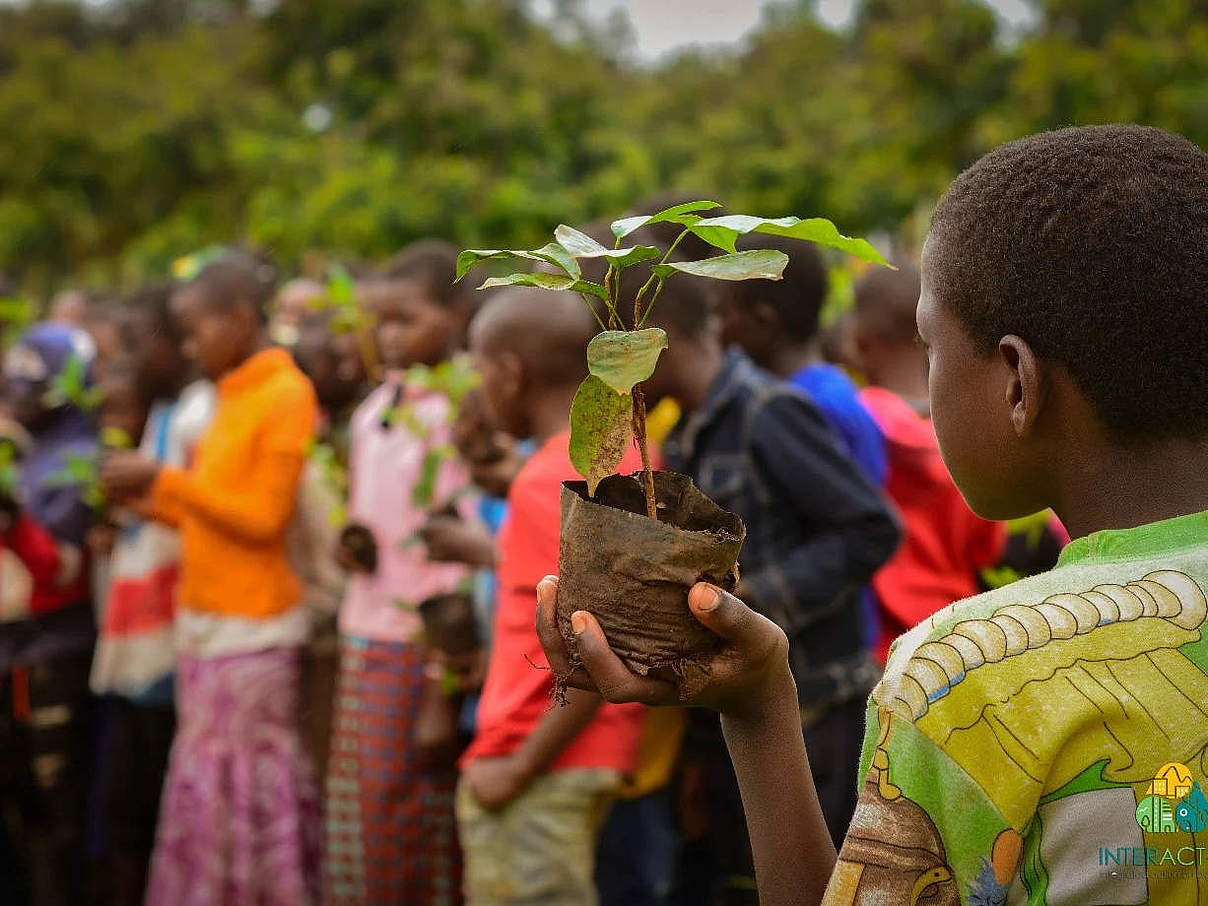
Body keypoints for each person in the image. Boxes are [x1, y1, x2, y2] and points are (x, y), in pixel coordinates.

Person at [540, 124, 1208, 905]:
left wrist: (760, 707)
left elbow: (866, 527)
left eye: (929, 346)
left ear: (1017, 383)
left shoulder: (969, 675)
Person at [101, 251, 321, 905]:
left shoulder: (285, 393)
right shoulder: (230, 394)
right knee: (207, 781)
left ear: (239, 318)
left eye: (198, 330)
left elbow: (261, 520)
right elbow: (209, 509)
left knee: (246, 785)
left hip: (254, 627)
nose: (191, 347)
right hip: (204, 623)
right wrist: (143, 502)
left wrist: (164, 481)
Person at [458, 286, 645, 906]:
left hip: (536, 760)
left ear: (510, 373)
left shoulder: (546, 480)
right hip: (590, 756)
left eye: (481, 368)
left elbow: (598, 639)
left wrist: (517, 766)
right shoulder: (626, 453)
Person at [324, 240, 476, 906]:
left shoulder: (459, 417)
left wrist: (441, 690)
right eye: (378, 321)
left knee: (408, 816)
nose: (386, 336)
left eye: (404, 319)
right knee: (367, 814)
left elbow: (458, 558)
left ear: (454, 317)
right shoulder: (378, 403)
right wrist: (352, 547)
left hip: (417, 648)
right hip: (365, 633)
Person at [88, 284, 214, 906]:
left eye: (141, 344)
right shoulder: (163, 414)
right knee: (128, 810)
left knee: (149, 809)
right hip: (141, 646)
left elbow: (207, 511)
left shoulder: (196, 412)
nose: (129, 358)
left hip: (176, 642)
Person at [852, 265, 1006, 663]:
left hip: (883, 647)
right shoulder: (966, 431)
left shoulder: (852, 423)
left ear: (860, 341)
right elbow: (987, 549)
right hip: (961, 635)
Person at [0, 323, 97, 906]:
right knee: (20, 808)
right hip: (12, 652)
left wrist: (13, 520)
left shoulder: (79, 461)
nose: (18, 396)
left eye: (31, 387)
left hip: (53, 653)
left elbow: (62, 574)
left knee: (59, 804)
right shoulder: (23, 455)